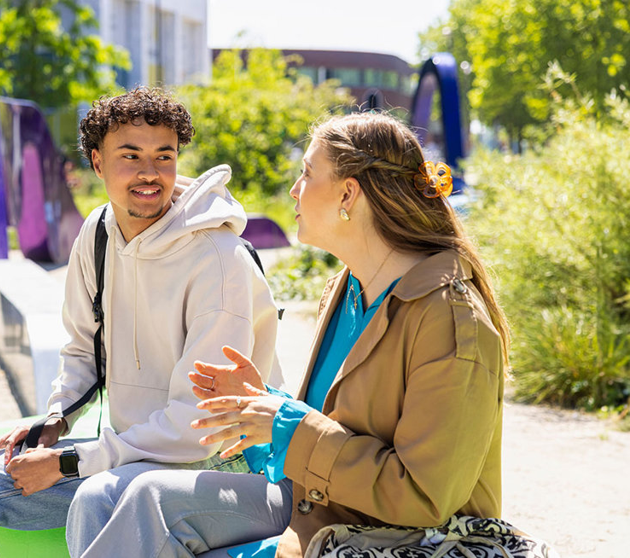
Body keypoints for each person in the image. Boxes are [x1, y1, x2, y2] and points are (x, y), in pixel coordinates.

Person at [75, 111, 510, 558]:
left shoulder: (452, 321)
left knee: (151, 511)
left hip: (389, 537)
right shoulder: (349, 287)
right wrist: (263, 402)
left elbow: (424, 497)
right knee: (117, 497)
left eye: (306, 173)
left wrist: (284, 424)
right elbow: (341, 427)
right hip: (319, 504)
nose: (294, 190)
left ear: (348, 193)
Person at [0, 87, 284, 557]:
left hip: (216, 463)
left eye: (163, 156)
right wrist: (57, 419)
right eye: (130, 156)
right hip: (129, 453)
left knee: (97, 495)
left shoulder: (219, 259)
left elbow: (197, 426)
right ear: (96, 162)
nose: (149, 173)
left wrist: (73, 460)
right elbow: (80, 351)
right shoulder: (97, 234)